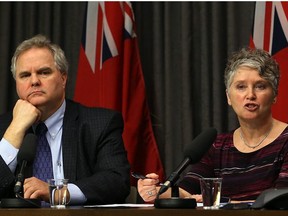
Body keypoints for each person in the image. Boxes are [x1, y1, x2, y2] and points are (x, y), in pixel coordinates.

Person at [137, 47, 288, 203]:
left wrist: (222, 203)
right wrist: (156, 191)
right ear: (228, 96)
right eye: (241, 87)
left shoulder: (285, 140)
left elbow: (280, 201)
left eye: (260, 86)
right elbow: (187, 190)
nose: (250, 95)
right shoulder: (219, 146)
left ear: (275, 95)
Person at [0, 34, 130, 205]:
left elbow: (117, 181)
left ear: (63, 78)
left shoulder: (99, 123)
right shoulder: (5, 127)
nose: (34, 81)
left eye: (43, 72)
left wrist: (58, 192)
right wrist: (15, 128)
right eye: (24, 75)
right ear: (16, 83)